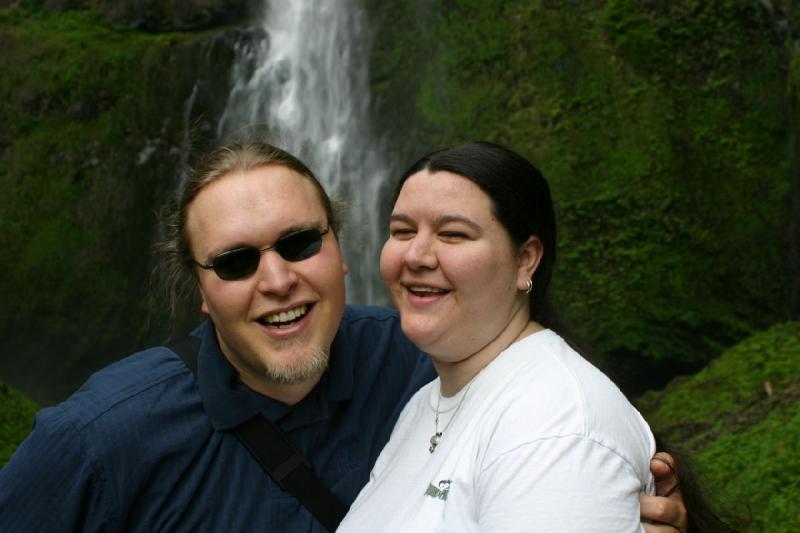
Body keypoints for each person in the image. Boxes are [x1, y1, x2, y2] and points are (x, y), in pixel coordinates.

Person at [0, 142, 688, 532]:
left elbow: (570, 438)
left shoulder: (427, 357)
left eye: (300, 243)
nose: (276, 279)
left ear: (339, 250)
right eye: (237, 261)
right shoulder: (98, 437)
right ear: (202, 292)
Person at [338, 141, 677, 531]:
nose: (416, 255)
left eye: (452, 233)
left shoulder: (553, 423)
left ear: (525, 260)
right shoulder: (425, 405)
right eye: (402, 230)